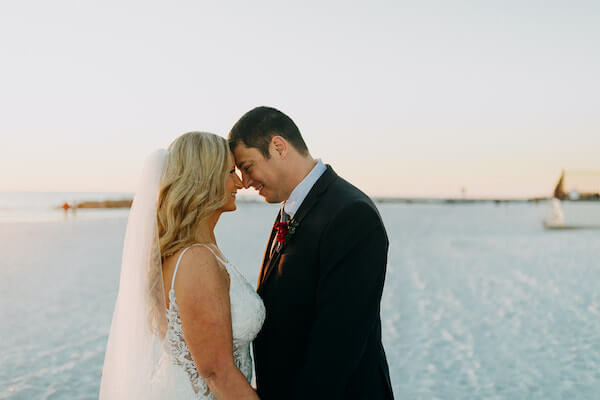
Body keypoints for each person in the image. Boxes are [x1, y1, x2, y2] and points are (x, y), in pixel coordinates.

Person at [228, 107, 394, 399]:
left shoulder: (351, 214)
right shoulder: (289, 208)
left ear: (278, 147)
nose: (245, 181)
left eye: (248, 165)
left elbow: (337, 347)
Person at [99, 132, 265, 400]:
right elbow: (216, 372)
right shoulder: (195, 259)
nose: (239, 182)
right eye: (229, 172)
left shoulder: (197, 250)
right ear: (205, 180)